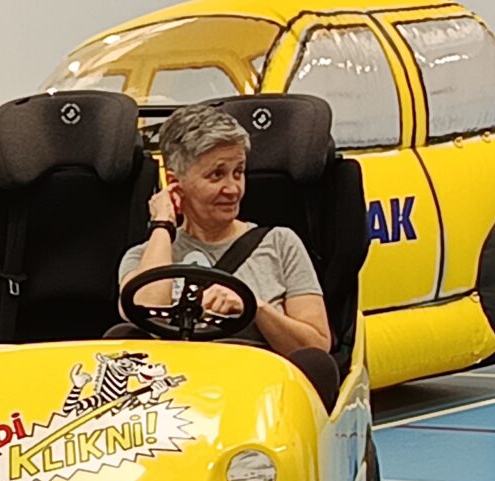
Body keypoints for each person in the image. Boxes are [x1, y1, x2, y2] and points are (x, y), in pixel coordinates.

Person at [119, 103, 339, 403]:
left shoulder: (280, 243)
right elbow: (143, 309)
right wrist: (162, 223)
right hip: (177, 399)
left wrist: (255, 306)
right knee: (121, 338)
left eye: (238, 173)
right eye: (217, 175)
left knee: (315, 363)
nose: (233, 189)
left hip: (261, 397)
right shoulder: (143, 257)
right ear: (174, 183)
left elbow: (316, 347)